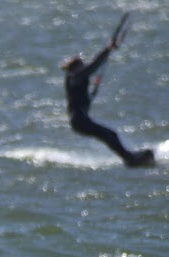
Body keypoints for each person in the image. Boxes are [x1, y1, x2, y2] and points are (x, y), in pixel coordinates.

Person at [62, 34, 154, 167]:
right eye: (82, 65)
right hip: (79, 120)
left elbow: (83, 99)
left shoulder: (76, 79)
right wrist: (107, 49)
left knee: (109, 135)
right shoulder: (75, 76)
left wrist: (93, 92)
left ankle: (128, 157)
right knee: (110, 135)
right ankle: (129, 159)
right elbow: (93, 66)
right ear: (75, 67)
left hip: (80, 120)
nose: (84, 67)